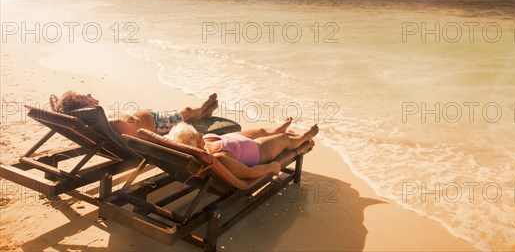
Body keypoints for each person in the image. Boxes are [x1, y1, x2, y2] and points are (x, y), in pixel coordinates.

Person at [165, 117, 319, 179]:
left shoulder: (205, 141)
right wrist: (272, 166)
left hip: (237, 141)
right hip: (258, 151)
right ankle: (303, 138)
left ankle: (275, 130)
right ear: (196, 145)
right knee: (284, 140)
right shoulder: (218, 157)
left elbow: (226, 139)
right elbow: (248, 172)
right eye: (197, 135)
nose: (200, 133)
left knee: (263, 131)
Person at [55, 90, 220, 136]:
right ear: (83, 104)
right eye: (86, 96)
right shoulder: (111, 121)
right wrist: (128, 118)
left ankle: (204, 111)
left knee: (183, 113)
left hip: (152, 118)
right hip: (158, 124)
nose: (90, 95)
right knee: (187, 112)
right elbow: (133, 132)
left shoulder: (96, 118)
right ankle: (204, 110)